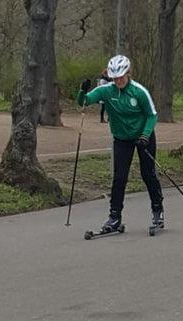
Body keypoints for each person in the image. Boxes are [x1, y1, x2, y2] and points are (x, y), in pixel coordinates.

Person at [77, 55, 164, 231]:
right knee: (119, 177)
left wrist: (145, 136)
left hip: (143, 138)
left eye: (121, 77)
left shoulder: (139, 91)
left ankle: (157, 211)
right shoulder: (106, 91)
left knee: (148, 174)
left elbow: (152, 115)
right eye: (115, 78)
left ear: (129, 73)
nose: (118, 81)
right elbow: (84, 102)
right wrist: (82, 91)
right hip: (121, 139)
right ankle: (114, 217)